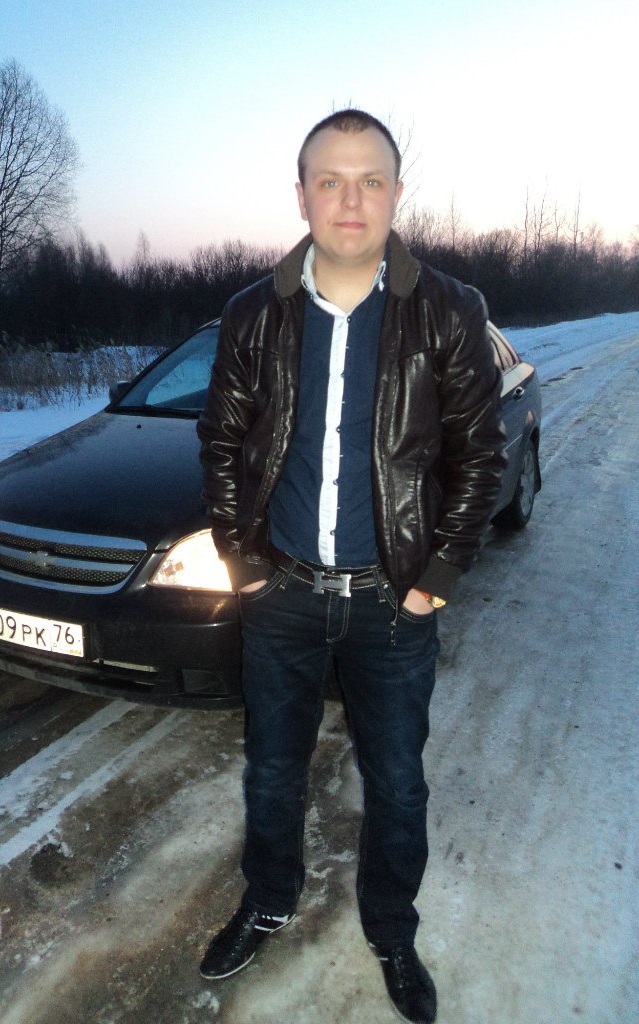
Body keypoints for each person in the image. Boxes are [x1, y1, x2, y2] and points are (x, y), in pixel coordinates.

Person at [196, 108, 505, 1024]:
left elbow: (480, 455)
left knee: (398, 782)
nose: (350, 199)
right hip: (282, 596)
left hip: (393, 604)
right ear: (301, 196)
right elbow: (222, 442)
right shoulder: (253, 314)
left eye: (370, 180)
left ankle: (392, 931)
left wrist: (437, 577)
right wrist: (242, 562)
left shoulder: (449, 310)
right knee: (271, 772)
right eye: (329, 180)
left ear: (397, 194)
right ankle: (268, 899)